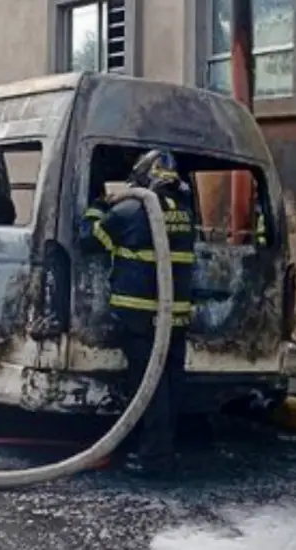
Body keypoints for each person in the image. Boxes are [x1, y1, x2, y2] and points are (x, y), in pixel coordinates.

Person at [79, 149, 197, 477]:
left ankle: (153, 458)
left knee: (149, 387)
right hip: (176, 316)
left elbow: (89, 239)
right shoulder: (185, 212)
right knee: (171, 384)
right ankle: (162, 450)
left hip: (141, 318)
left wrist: (98, 206)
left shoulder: (130, 210)